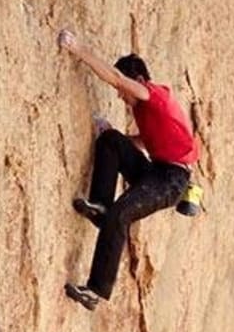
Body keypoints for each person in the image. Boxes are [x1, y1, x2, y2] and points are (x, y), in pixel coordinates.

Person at [57, 29, 198, 310]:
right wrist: (118, 136)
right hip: (156, 170)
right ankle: (99, 205)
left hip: (172, 181)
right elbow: (149, 141)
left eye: (123, 91)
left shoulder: (153, 95)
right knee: (111, 140)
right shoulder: (148, 110)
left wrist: (77, 48)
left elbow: (116, 78)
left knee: (121, 214)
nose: (120, 95)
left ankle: (95, 291)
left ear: (139, 81)